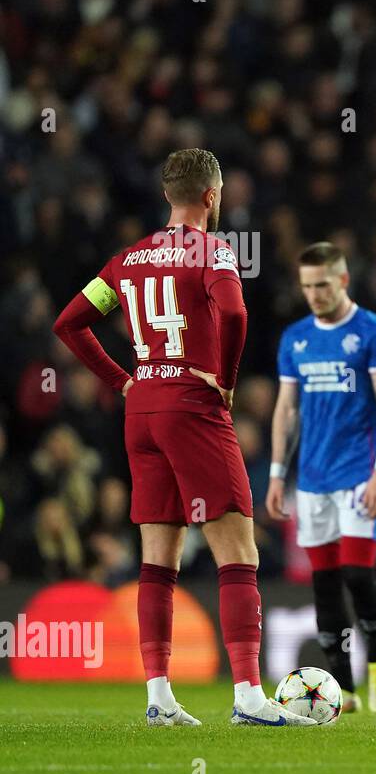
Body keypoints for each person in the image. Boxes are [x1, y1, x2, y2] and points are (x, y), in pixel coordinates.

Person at [52, 148, 315, 726]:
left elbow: (68, 324)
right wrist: (223, 382)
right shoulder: (214, 253)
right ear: (212, 197)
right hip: (193, 407)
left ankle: (159, 697)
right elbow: (236, 316)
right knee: (238, 553)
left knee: (157, 561)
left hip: (142, 411)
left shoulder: (128, 259)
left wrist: (122, 381)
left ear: (168, 196)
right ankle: (248, 695)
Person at [266, 243, 376, 713]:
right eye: (307, 286)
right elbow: (286, 409)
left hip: (359, 475)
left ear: (343, 280)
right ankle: (343, 689)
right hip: (312, 481)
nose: (314, 294)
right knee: (324, 583)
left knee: (357, 574)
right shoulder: (295, 338)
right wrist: (276, 473)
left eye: (322, 284)